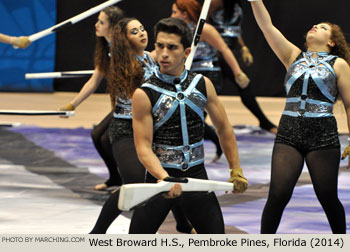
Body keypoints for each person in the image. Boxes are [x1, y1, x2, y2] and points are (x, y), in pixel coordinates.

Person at [128, 17, 248, 234]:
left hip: (196, 177)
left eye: (172, 47)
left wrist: (236, 169)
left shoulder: (202, 84)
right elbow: (143, 147)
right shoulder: (143, 94)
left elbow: (223, 129)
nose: (164, 53)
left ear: (186, 52)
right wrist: (164, 178)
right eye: (159, 46)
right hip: (160, 179)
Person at [249, 0, 350, 233]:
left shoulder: (339, 64)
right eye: (315, 25)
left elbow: (349, 105)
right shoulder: (292, 55)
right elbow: (267, 26)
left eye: (323, 28)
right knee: (277, 195)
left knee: (327, 196)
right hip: (288, 134)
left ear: (332, 42)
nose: (315, 26)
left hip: (322, 136)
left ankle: (341, 243)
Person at [90, 17, 194, 234]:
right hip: (126, 131)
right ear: (123, 40)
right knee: (137, 187)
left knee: (171, 175)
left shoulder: (148, 57)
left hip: (150, 128)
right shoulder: (122, 61)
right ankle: (96, 233)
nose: (142, 33)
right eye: (135, 32)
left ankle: (184, 223)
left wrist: (181, 51)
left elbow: (164, 52)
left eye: (143, 28)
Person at [173, 0, 277, 134]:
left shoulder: (235, 5)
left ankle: (196, 127)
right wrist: (211, 41)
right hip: (218, 51)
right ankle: (264, 122)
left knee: (213, 94)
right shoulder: (216, 2)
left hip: (230, 49)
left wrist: (243, 46)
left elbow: (234, 29)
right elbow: (202, 20)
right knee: (236, 87)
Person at [59, 6, 124, 191]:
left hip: (134, 105)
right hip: (120, 105)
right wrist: (72, 105)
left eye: (101, 22)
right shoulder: (105, 48)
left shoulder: (126, 49)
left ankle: (128, 179)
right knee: (97, 136)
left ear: (113, 28)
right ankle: (115, 178)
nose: (96, 25)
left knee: (106, 139)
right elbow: (93, 82)